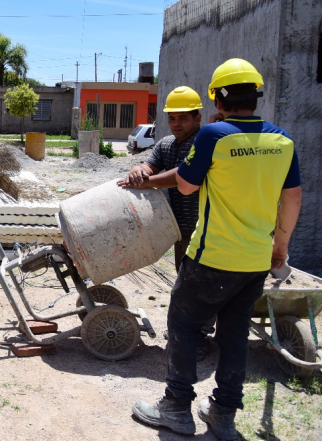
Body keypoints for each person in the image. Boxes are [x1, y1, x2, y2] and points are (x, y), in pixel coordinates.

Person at [133, 59, 301, 440]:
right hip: (256, 260)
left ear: (218, 99)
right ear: (256, 95)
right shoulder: (283, 140)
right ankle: (223, 413)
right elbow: (292, 198)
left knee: (184, 325)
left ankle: (176, 407)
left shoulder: (213, 135)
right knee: (235, 334)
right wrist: (280, 247)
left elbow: (187, 185)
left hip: (211, 257)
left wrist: (146, 184)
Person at [119, 86, 202, 271]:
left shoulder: (203, 142)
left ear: (198, 118)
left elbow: (182, 176)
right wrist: (138, 170)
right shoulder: (166, 144)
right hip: (179, 227)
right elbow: (150, 165)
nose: (176, 124)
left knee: (200, 282)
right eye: (172, 118)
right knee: (183, 276)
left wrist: (146, 183)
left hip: (204, 229)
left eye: (183, 118)